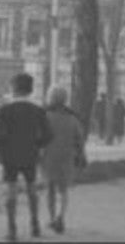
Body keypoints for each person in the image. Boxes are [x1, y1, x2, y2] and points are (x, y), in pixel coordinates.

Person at [0, 73, 53, 242]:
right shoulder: (38, 110)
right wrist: (37, 145)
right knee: (32, 189)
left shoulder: (4, 110)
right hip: (30, 154)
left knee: (11, 190)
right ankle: (35, 224)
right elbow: (48, 134)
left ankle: (12, 229)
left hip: (10, 156)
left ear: (13, 89)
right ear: (31, 90)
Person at [41, 86, 87, 235]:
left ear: (50, 98)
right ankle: (61, 217)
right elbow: (80, 139)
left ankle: (52, 217)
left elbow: (37, 138)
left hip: (48, 157)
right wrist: (81, 155)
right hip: (66, 157)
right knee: (63, 190)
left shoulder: (44, 116)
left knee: (50, 190)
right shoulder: (72, 119)